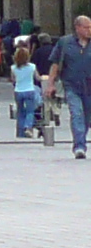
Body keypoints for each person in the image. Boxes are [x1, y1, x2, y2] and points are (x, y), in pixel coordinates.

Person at [49, 16, 91, 159]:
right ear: (78, 28)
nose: (89, 30)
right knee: (77, 114)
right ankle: (79, 146)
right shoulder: (65, 43)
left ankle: (81, 140)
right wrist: (50, 84)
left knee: (86, 118)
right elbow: (55, 64)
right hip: (71, 85)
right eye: (86, 27)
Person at [12, 41, 43, 139]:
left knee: (20, 112)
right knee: (30, 111)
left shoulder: (13, 68)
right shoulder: (32, 66)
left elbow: (13, 79)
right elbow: (37, 78)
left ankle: (21, 132)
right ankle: (28, 127)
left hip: (18, 90)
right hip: (29, 90)